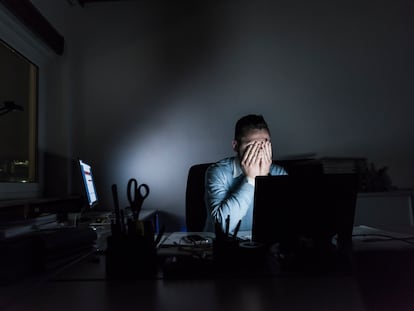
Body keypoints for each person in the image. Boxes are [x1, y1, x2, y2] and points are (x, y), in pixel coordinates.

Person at [204, 114, 287, 234]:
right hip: (223, 246)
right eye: (252, 146)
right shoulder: (218, 172)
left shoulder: (279, 173)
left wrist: (264, 179)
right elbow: (221, 226)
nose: (259, 151)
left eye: (265, 144)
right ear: (235, 146)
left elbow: (282, 221)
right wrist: (251, 179)